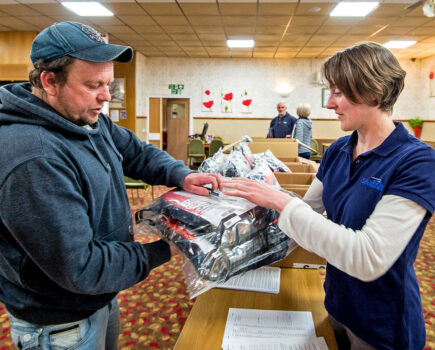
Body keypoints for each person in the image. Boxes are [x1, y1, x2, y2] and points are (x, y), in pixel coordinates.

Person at [0, 21, 222, 349]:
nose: (106, 97)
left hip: (96, 298)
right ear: (50, 81)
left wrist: (180, 175)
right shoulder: (34, 157)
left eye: (109, 84)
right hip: (60, 322)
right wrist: (169, 247)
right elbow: (83, 268)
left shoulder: (86, 117)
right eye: (93, 85)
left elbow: (135, 151)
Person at [223, 42, 435, 349]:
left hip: (382, 323)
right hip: (337, 303)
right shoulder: (338, 150)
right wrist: (234, 245)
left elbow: (368, 257)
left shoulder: (417, 162)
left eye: (338, 92)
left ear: (371, 91)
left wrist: (280, 201)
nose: (330, 104)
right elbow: (305, 214)